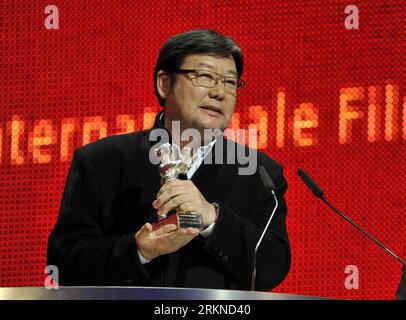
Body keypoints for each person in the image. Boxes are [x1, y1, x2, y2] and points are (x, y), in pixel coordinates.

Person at [47, 29, 291, 291]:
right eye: (205, 77)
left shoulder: (259, 173)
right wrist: (138, 250)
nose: (220, 93)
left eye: (230, 82)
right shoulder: (103, 161)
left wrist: (213, 219)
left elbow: (271, 269)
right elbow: (63, 264)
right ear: (164, 83)